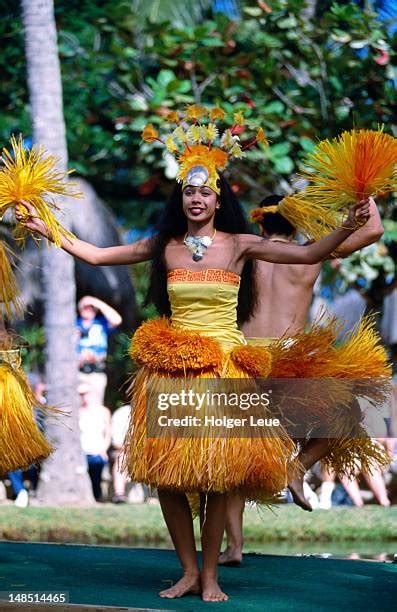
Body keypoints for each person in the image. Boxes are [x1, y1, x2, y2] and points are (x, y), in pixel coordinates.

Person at [15, 108, 376, 602]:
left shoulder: (241, 245)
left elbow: (309, 255)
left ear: (218, 197)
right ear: (180, 197)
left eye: (205, 191)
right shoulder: (163, 245)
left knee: (218, 478)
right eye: (189, 190)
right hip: (172, 371)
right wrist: (47, 225)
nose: (197, 198)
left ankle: (211, 577)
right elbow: (97, 254)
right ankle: (187, 571)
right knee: (169, 477)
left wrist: (347, 227)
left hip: (224, 369)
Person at [219, 193, 385, 566]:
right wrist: (363, 195)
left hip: (247, 362)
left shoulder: (243, 254)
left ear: (260, 223)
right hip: (295, 362)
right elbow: (373, 229)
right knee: (347, 416)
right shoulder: (309, 255)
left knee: (234, 462)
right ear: (296, 225)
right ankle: (298, 467)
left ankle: (234, 547)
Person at [76, 295, 122, 405]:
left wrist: (97, 302)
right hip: (77, 373)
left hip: (96, 373)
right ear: (79, 308)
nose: (88, 309)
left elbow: (117, 320)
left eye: (91, 307)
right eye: (85, 306)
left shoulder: (101, 323)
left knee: (95, 407)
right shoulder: (72, 324)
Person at [78, 382, 112, 501]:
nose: (83, 396)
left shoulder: (103, 411)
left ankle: (97, 496)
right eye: (80, 394)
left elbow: (108, 434)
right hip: (81, 452)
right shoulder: (77, 412)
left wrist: (103, 449)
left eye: (85, 393)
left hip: (97, 451)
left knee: (96, 471)